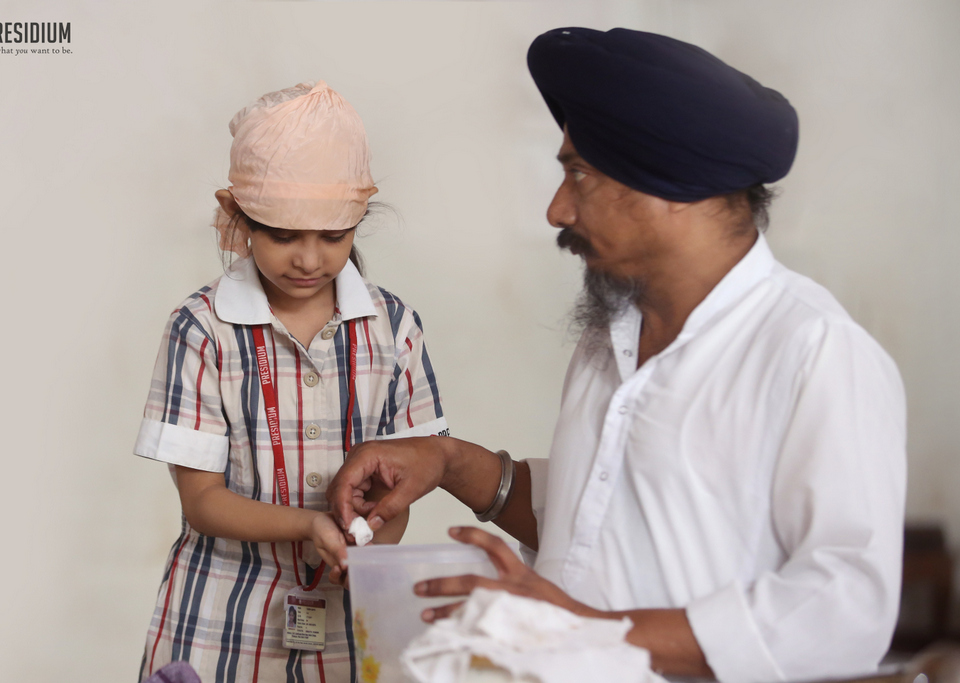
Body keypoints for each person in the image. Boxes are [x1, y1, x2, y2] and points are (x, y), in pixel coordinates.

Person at [327, 28, 906, 683]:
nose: (556, 208)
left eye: (578, 172)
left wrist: (586, 633)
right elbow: (606, 517)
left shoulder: (813, 351)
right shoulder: (612, 330)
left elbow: (845, 611)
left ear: (673, 186)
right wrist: (452, 462)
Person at [134, 81, 448, 683]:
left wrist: (371, 549)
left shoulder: (396, 328)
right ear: (239, 220)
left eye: (333, 236)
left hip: (349, 621)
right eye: (283, 235)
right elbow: (201, 502)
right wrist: (309, 524)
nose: (309, 259)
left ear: (359, 222)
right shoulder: (201, 328)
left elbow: (412, 473)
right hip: (222, 621)